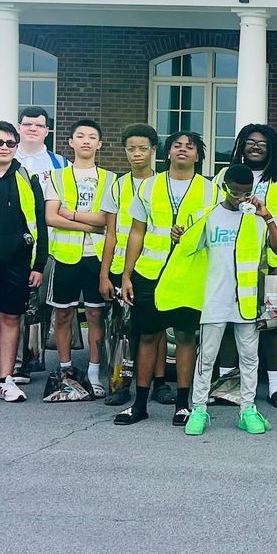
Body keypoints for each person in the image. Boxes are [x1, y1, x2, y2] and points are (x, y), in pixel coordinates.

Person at [157, 164, 277, 437]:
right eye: (236, 192)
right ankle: (199, 409)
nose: (241, 198)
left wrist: (267, 217)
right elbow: (185, 248)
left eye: (246, 193)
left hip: (246, 302)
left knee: (249, 358)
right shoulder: (208, 216)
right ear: (224, 187)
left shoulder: (257, 217)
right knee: (206, 358)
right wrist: (177, 235)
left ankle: (247, 410)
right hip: (214, 299)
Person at [115, 130, 217, 426]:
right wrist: (126, 275)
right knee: (148, 336)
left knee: (186, 337)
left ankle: (183, 405)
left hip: (189, 275)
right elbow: (136, 232)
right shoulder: (148, 186)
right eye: (177, 145)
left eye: (190, 147)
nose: (183, 150)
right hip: (150, 272)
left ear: (198, 156)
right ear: (168, 152)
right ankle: (139, 405)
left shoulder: (212, 191)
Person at [0, 104, 63, 387]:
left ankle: (8, 377)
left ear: (16, 146)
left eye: (9, 143)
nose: (4, 147)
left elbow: (39, 223)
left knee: (12, 319)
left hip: (18, 263)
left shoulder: (29, 178)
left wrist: (38, 264)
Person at [216, 124, 277, 409]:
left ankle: (275, 387)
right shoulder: (224, 176)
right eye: (250, 142)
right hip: (232, 264)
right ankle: (227, 387)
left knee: (273, 327)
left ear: (272, 149)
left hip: (271, 265)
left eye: (262, 143)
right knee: (230, 324)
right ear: (241, 145)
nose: (255, 147)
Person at [98, 124, 166, 407]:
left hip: (153, 266)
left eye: (143, 148)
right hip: (120, 268)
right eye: (131, 149)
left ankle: (160, 383)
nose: (137, 154)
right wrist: (104, 275)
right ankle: (119, 383)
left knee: (156, 328)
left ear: (153, 150)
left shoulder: (163, 184)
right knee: (121, 329)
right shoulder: (117, 186)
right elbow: (110, 234)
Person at [43, 119, 111, 399]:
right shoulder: (56, 176)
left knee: (96, 314)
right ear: (70, 142)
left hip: (97, 256)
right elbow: (50, 217)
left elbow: (106, 218)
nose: (86, 141)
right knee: (63, 314)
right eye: (80, 136)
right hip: (65, 255)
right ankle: (65, 370)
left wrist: (70, 214)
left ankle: (94, 372)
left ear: (99, 144)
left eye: (92, 137)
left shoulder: (110, 179)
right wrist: (89, 226)